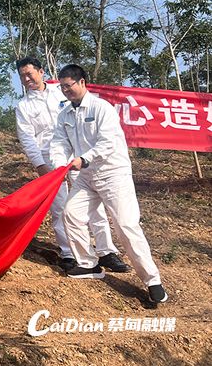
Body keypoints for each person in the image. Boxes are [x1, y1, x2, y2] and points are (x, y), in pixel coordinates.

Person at [50, 64, 167, 303]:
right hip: (86, 177)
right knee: (71, 214)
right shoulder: (65, 115)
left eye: (69, 86)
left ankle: (152, 280)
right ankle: (88, 264)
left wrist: (84, 158)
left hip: (113, 174)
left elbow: (108, 142)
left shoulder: (101, 108)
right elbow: (59, 143)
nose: (65, 90)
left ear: (82, 82)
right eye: (62, 87)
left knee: (126, 226)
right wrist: (59, 165)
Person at [14, 57, 127, 273]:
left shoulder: (61, 91)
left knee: (93, 204)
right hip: (50, 160)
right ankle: (69, 253)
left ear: (41, 72)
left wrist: (84, 156)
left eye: (29, 73)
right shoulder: (23, 106)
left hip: (78, 155)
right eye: (22, 76)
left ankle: (106, 251)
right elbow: (27, 138)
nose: (26, 79)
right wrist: (40, 165)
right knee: (60, 207)